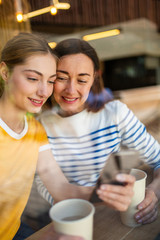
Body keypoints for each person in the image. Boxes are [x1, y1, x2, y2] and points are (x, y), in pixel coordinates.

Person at [37, 38, 160, 225]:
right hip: (71, 222)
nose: (71, 90)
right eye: (61, 78)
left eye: (82, 80)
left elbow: (158, 160)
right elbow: (47, 187)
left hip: (116, 219)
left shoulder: (115, 114)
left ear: (94, 78)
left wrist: (154, 193)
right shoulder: (39, 128)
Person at [0, 33, 84, 240]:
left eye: (51, 81)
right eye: (32, 78)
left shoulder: (35, 129)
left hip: (13, 230)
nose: (44, 91)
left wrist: (106, 198)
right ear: (5, 72)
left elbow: (55, 180)